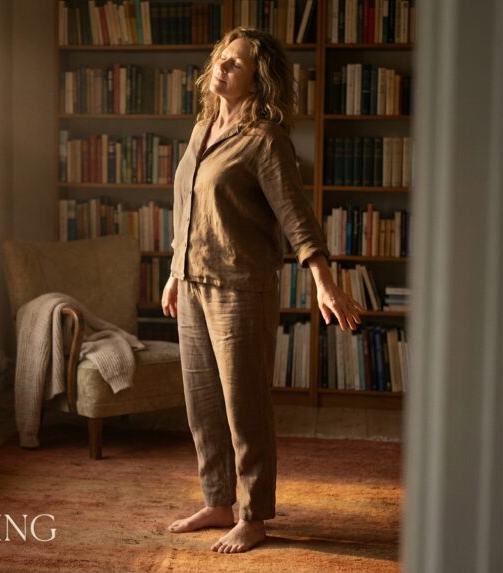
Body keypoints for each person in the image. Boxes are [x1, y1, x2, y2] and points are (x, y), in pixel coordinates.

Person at [161, 27, 364, 554]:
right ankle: (219, 501)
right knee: (202, 405)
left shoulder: (266, 137)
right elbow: (188, 207)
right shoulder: (203, 126)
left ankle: (253, 516)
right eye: (221, 60)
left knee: (243, 407)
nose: (223, 68)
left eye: (236, 63)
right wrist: (172, 270)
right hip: (192, 282)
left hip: (239, 288)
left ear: (259, 76)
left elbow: (296, 218)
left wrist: (324, 283)